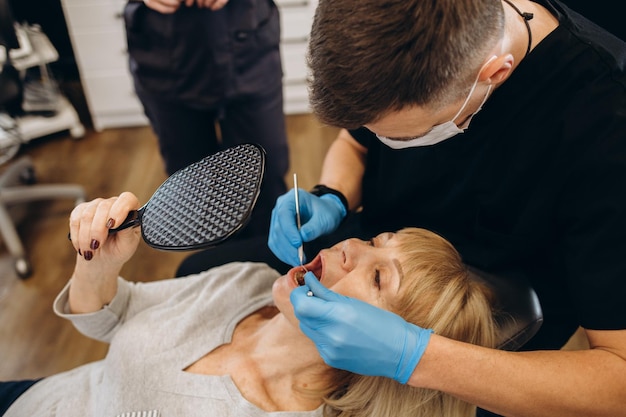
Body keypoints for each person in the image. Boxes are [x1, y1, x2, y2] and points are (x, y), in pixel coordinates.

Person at [264, 1, 626, 416]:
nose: (383, 141)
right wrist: (334, 193)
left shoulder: (605, 131)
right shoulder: (400, 43)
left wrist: (416, 357)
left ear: (494, 74)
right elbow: (354, 145)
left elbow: (619, 380)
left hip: (487, 340)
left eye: (402, 137)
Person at [1, 193, 497, 417]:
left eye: (378, 275)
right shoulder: (247, 280)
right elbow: (113, 318)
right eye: (377, 239)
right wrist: (97, 265)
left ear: (382, 346)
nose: (352, 247)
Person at [123, 0, 288, 237]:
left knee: (265, 179)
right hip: (162, 47)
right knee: (193, 189)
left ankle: (268, 258)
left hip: (247, 38)